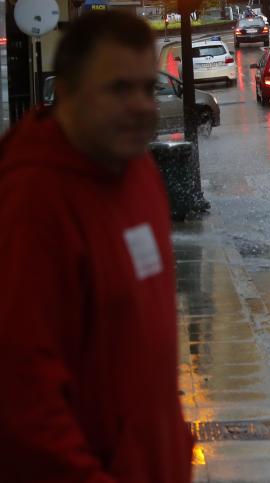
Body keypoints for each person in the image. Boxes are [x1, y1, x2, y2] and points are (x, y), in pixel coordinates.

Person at [0, 10, 193, 482]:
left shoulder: (138, 171)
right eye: (118, 89)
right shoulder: (32, 204)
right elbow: (22, 396)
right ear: (64, 93)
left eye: (147, 88)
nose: (141, 106)